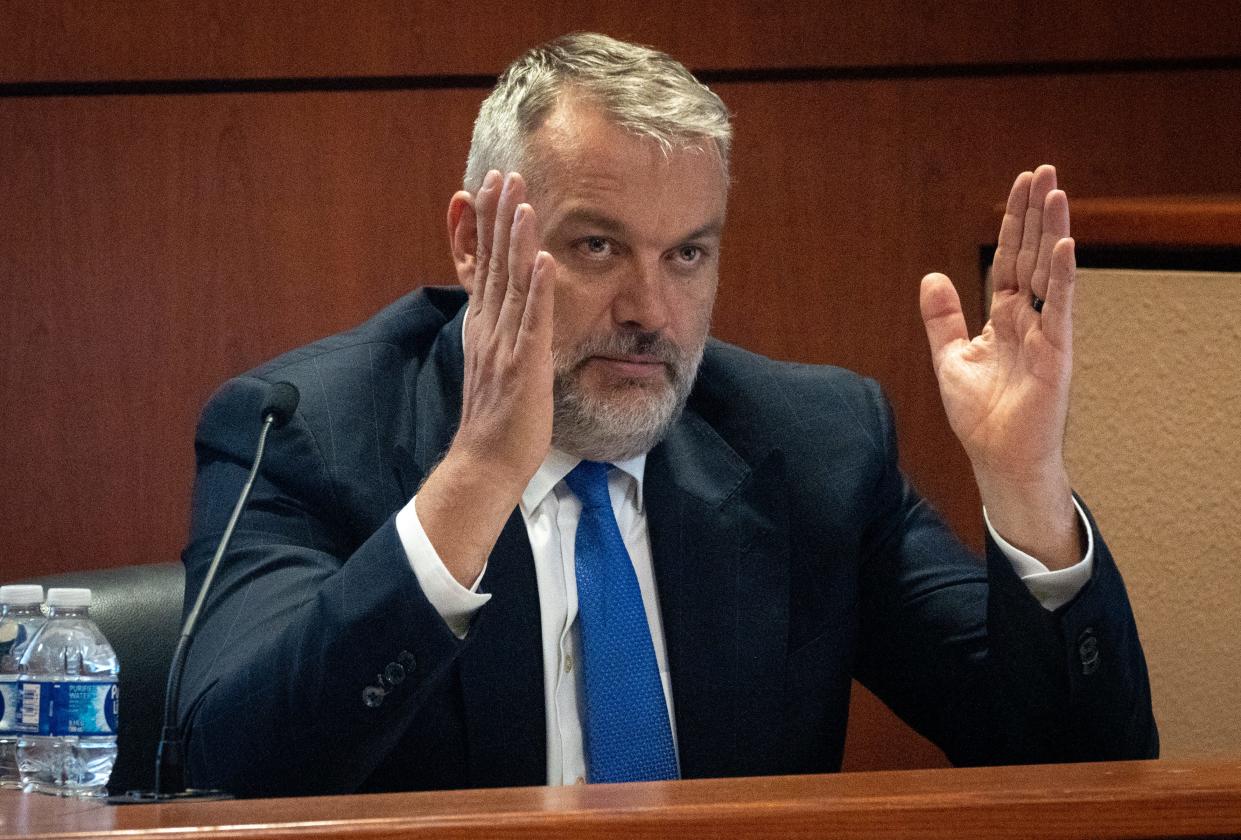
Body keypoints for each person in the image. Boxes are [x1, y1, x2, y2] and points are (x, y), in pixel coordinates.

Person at [179, 33, 1157, 797]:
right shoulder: (303, 429)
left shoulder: (810, 444)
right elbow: (224, 779)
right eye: (597, 246)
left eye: (687, 254)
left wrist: (1026, 486)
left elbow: (1082, 766)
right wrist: (475, 479)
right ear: (474, 242)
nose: (651, 312)